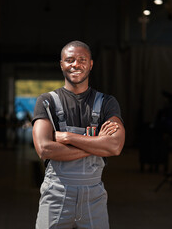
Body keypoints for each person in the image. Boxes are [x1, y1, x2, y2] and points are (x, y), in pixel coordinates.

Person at [32, 40, 125, 228]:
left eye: (82, 59)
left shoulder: (107, 102)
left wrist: (68, 138)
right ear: (61, 65)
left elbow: (114, 146)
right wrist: (97, 144)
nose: (76, 64)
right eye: (70, 59)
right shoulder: (47, 101)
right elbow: (44, 149)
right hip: (56, 194)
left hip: (94, 197)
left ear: (90, 64)